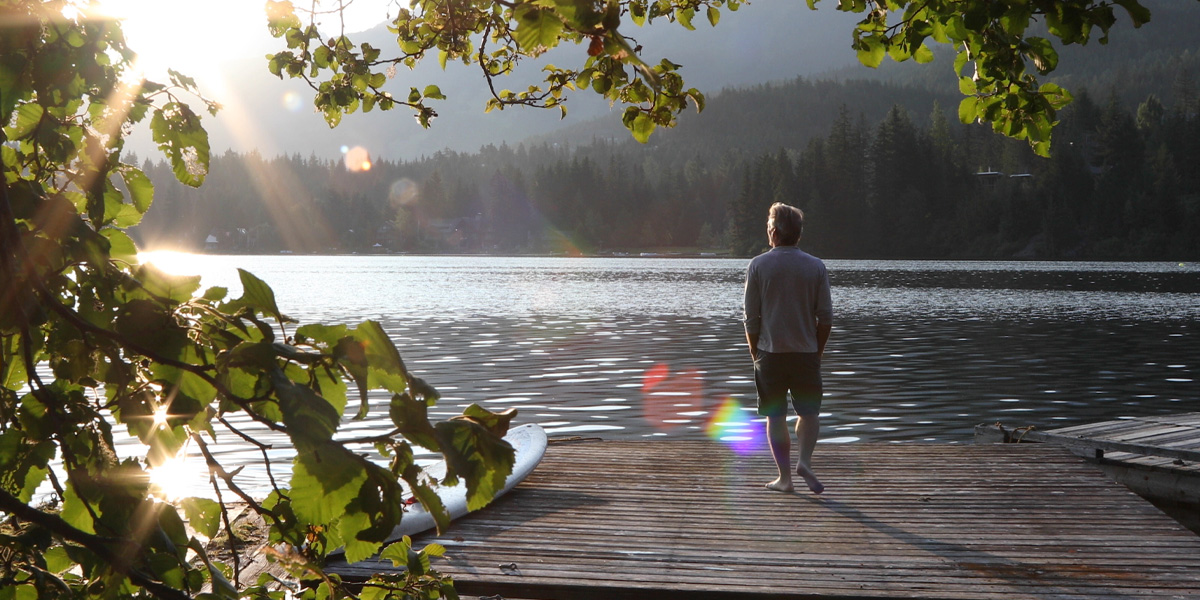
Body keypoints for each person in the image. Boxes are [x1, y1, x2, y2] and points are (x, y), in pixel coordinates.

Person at [743, 202, 832, 494]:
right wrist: (816, 351)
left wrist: (755, 352)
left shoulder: (758, 265)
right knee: (809, 413)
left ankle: (785, 479)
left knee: (775, 416)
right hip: (806, 353)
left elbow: (751, 318)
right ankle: (804, 461)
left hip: (770, 353)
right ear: (798, 233)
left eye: (769, 227)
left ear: (774, 231)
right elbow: (826, 318)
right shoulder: (815, 266)